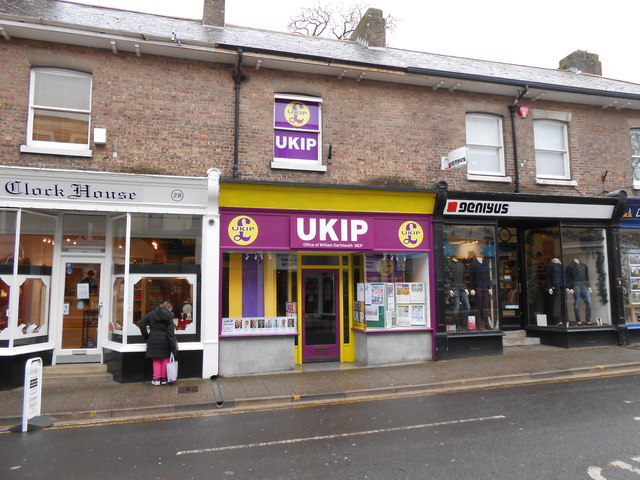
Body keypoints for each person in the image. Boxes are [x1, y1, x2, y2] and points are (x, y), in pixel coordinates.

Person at [138, 301, 177, 385]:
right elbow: (170, 333)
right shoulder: (169, 316)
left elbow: (142, 324)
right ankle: (163, 379)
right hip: (165, 340)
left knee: (156, 359)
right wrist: (173, 345)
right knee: (165, 358)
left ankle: (156, 379)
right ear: (169, 308)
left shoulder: (152, 314)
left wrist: (146, 336)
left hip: (153, 339)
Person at [565, 257, 592, 325]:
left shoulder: (584, 265)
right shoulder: (570, 266)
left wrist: (588, 286)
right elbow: (568, 277)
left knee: (589, 304)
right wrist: (569, 287)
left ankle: (588, 320)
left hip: (584, 285)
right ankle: (578, 320)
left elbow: (586, 277)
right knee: (577, 303)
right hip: (575, 286)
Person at [469, 255, 493, 329]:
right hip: (478, 288)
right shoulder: (474, 264)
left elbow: (488, 277)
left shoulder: (485, 263)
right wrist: (472, 288)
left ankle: (487, 324)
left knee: (485, 307)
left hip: (485, 288)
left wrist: (489, 287)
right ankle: (478, 325)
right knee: (478, 307)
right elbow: (471, 277)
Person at [449, 257, 470, 330]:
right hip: (454, 288)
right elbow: (448, 278)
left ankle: (464, 325)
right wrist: (450, 289)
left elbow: (464, 277)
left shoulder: (462, 265)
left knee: (467, 306)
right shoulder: (449, 265)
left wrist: (465, 287)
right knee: (456, 307)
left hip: (462, 288)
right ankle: (457, 325)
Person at [546, 258, 563, 325]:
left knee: (561, 304)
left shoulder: (561, 266)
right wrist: (549, 287)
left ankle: (562, 319)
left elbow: (564, 276)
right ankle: (557, 320)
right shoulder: (551, 265)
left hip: (561, 286)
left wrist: (567, 286)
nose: (557, 259)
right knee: (557, 304)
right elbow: (549, 276)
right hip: (555, 287)